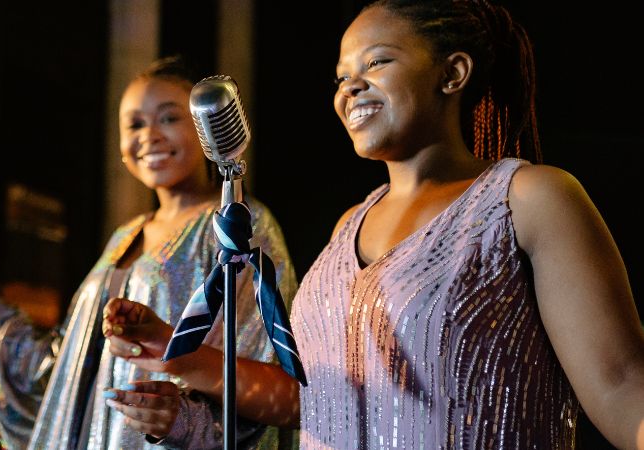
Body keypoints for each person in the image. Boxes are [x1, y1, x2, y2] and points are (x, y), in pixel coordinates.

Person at [110, 1, 644, 448]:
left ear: (453, 73)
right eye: (342, 76)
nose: (351, 88)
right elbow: (316, 403)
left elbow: (623, 387)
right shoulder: (348, 227)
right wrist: (181, 383)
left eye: (377, 63)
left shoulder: (526, 198)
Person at [0, 56, 298, 450]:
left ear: (203, 128)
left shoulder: (236, 224)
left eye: (168, 118)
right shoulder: (125, 235)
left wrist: (181, 412)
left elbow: (266, 370)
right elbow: (63, 367)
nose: (150, 135)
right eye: (135, 124)